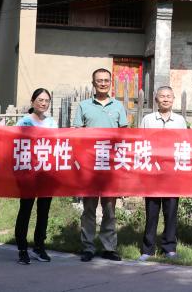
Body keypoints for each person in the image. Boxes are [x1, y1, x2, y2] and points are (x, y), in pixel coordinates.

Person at [73, 68, 128, 262]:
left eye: (106, 80)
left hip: (111, 166)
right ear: (93, 83)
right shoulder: (84, 106)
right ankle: (88, 247)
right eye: (99, 80)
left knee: (110, 209)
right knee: (88, 208)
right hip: (90, 166)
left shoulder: (118, 106)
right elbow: (77, 133)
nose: (103, 83)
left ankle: (108, 247)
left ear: (110, 83)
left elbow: (124, 135)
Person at [137, 86, 188, 261]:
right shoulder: (148, 119)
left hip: (172, 172)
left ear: (173, 99)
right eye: (162, 96)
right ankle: (148, 249)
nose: (165, 99)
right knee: (151, 212)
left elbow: (184, 145)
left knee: (171, 211)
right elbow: (141, 143)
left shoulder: (180, 120)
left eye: (168, 96)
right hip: (152, 172)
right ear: (156, 99)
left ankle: (169, 247)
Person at [14, 88, 58, 265]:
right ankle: (22, 248)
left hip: (47, 173)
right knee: (25, 209)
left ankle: (39, 246)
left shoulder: (52, 123)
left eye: (46, 100)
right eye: (40, 100)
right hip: (27, 173)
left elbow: (56, 145)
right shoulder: (24, 122)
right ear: (32, 101)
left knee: (44, 211)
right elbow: (15, 145)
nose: (43, 103)